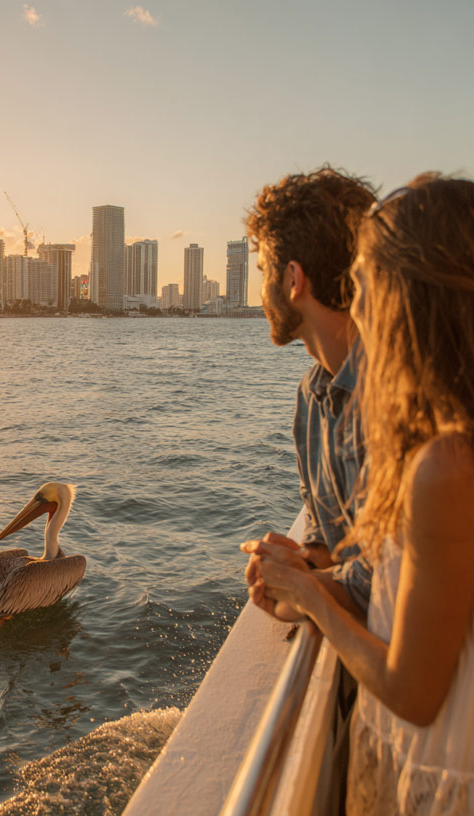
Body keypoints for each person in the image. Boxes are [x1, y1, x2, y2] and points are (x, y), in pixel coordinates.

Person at [249, 174, 474, 815]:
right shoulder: (318, 402)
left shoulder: (441, 460)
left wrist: (303, 593)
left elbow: (414, 685)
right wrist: (310, 567)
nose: (359, 299)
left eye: (370, 280)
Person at [242, 167, 377, 620]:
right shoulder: (312, 396)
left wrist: (300, 591)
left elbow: (388, 581)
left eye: (263, 272)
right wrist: (309, 557)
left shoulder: (390, 396)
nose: (261, 292)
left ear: (293, 279)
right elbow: (327, 529)